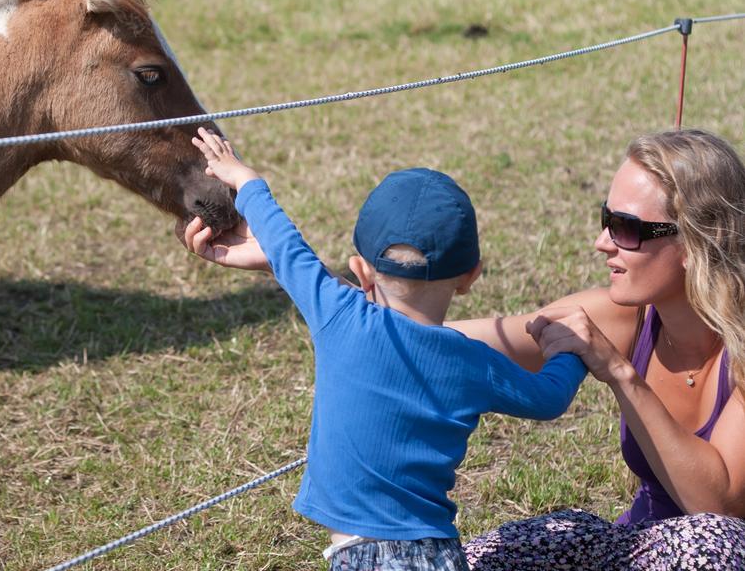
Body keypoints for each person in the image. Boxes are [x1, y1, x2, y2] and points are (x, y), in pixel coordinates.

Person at [184, 127, 745, 570]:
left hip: (711, 552)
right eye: (606, 217)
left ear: (701, 239)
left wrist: (620, 373)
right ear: (471, 275)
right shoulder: (615, 314)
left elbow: (716, 508)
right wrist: (295, 274)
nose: (602, 241)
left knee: (713, 544)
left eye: (626, 227)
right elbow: (423, 344)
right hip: (619, 547)